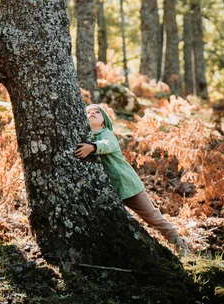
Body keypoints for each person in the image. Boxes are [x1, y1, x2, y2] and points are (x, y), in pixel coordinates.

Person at [74, 104, 190, 256]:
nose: (92, 114)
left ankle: (179, 244)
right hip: (111, 189)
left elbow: (108, 145)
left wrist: (93, 147)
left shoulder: (106, 133)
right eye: (89, 112)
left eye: (97, 112)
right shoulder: (85, 136)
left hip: (128, 185)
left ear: (104, 121)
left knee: (152, 216)